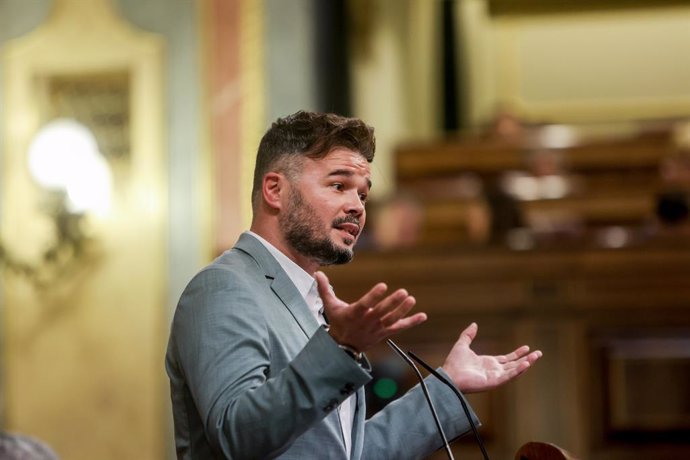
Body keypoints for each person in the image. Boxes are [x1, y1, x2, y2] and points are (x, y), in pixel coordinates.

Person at [165, 110, 542, 459]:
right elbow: (238, 436)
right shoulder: (223, 288)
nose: (358, 206)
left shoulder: (310, 300)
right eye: (339, 185)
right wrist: (341, 348)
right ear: (275, 190)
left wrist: (447, 388)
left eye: (362, 193)